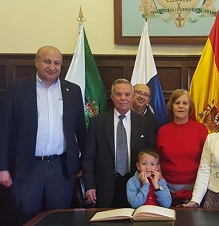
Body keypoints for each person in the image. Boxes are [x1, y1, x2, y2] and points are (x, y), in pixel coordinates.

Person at [0, 46, 87, 225]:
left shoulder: (73, 91)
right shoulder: (18, 89)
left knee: (59, 217)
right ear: (36, 62)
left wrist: (83, 164)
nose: (52, 67)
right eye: (47, 61)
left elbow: (81, 131)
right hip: (26, 167)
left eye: (57, 63)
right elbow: (4, 130)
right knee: (27, 218)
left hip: (60, 168)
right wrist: (3, 167)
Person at [82, 78, 156, 208]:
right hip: (105, 186)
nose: (123, 98)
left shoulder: (145, 123)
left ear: (132, 96)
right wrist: (89, 186)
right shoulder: (97, 123)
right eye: (118, 94)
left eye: (127, 94)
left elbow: (151, 155)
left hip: (136, 183)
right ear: (112, 97)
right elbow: (89, 158)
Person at [157, 89, 207, 206]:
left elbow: (206, 161)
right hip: (166, 190)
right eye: (177, 103)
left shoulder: (200, 130)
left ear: (190, 107)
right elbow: (157, 159)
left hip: (195, 190)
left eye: (185, 103)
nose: (181, 106)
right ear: (171, 106)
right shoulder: (163, 131)